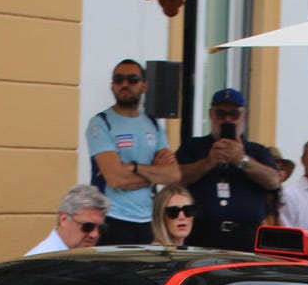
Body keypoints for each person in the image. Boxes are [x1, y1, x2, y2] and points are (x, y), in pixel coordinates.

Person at [176, 88, 280, 250]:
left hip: (247, 236)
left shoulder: (257, 151)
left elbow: (273, 181)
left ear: (243, 116)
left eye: (234, 114)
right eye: (220, 114)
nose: (227, 120)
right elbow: (175, 179)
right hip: (201, 234)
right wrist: (207, 163)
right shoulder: (192, 147)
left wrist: (242, 160)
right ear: (211, 115)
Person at [84, 59, 174, 246]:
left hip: (148, 220)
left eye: (132, 79)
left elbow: (173, 174)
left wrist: (132, 167)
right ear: (112, 86)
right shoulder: (100, 123)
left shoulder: (153, 124)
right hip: (111, 218)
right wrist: (154, 172)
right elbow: (116, 179)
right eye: (119, 80)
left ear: (144, 85)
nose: (124, 84)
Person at [149, 182, 196, 248]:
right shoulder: (155, 254)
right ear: (160, 216)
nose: (182, 217)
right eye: (173, 211)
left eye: (188, 210)